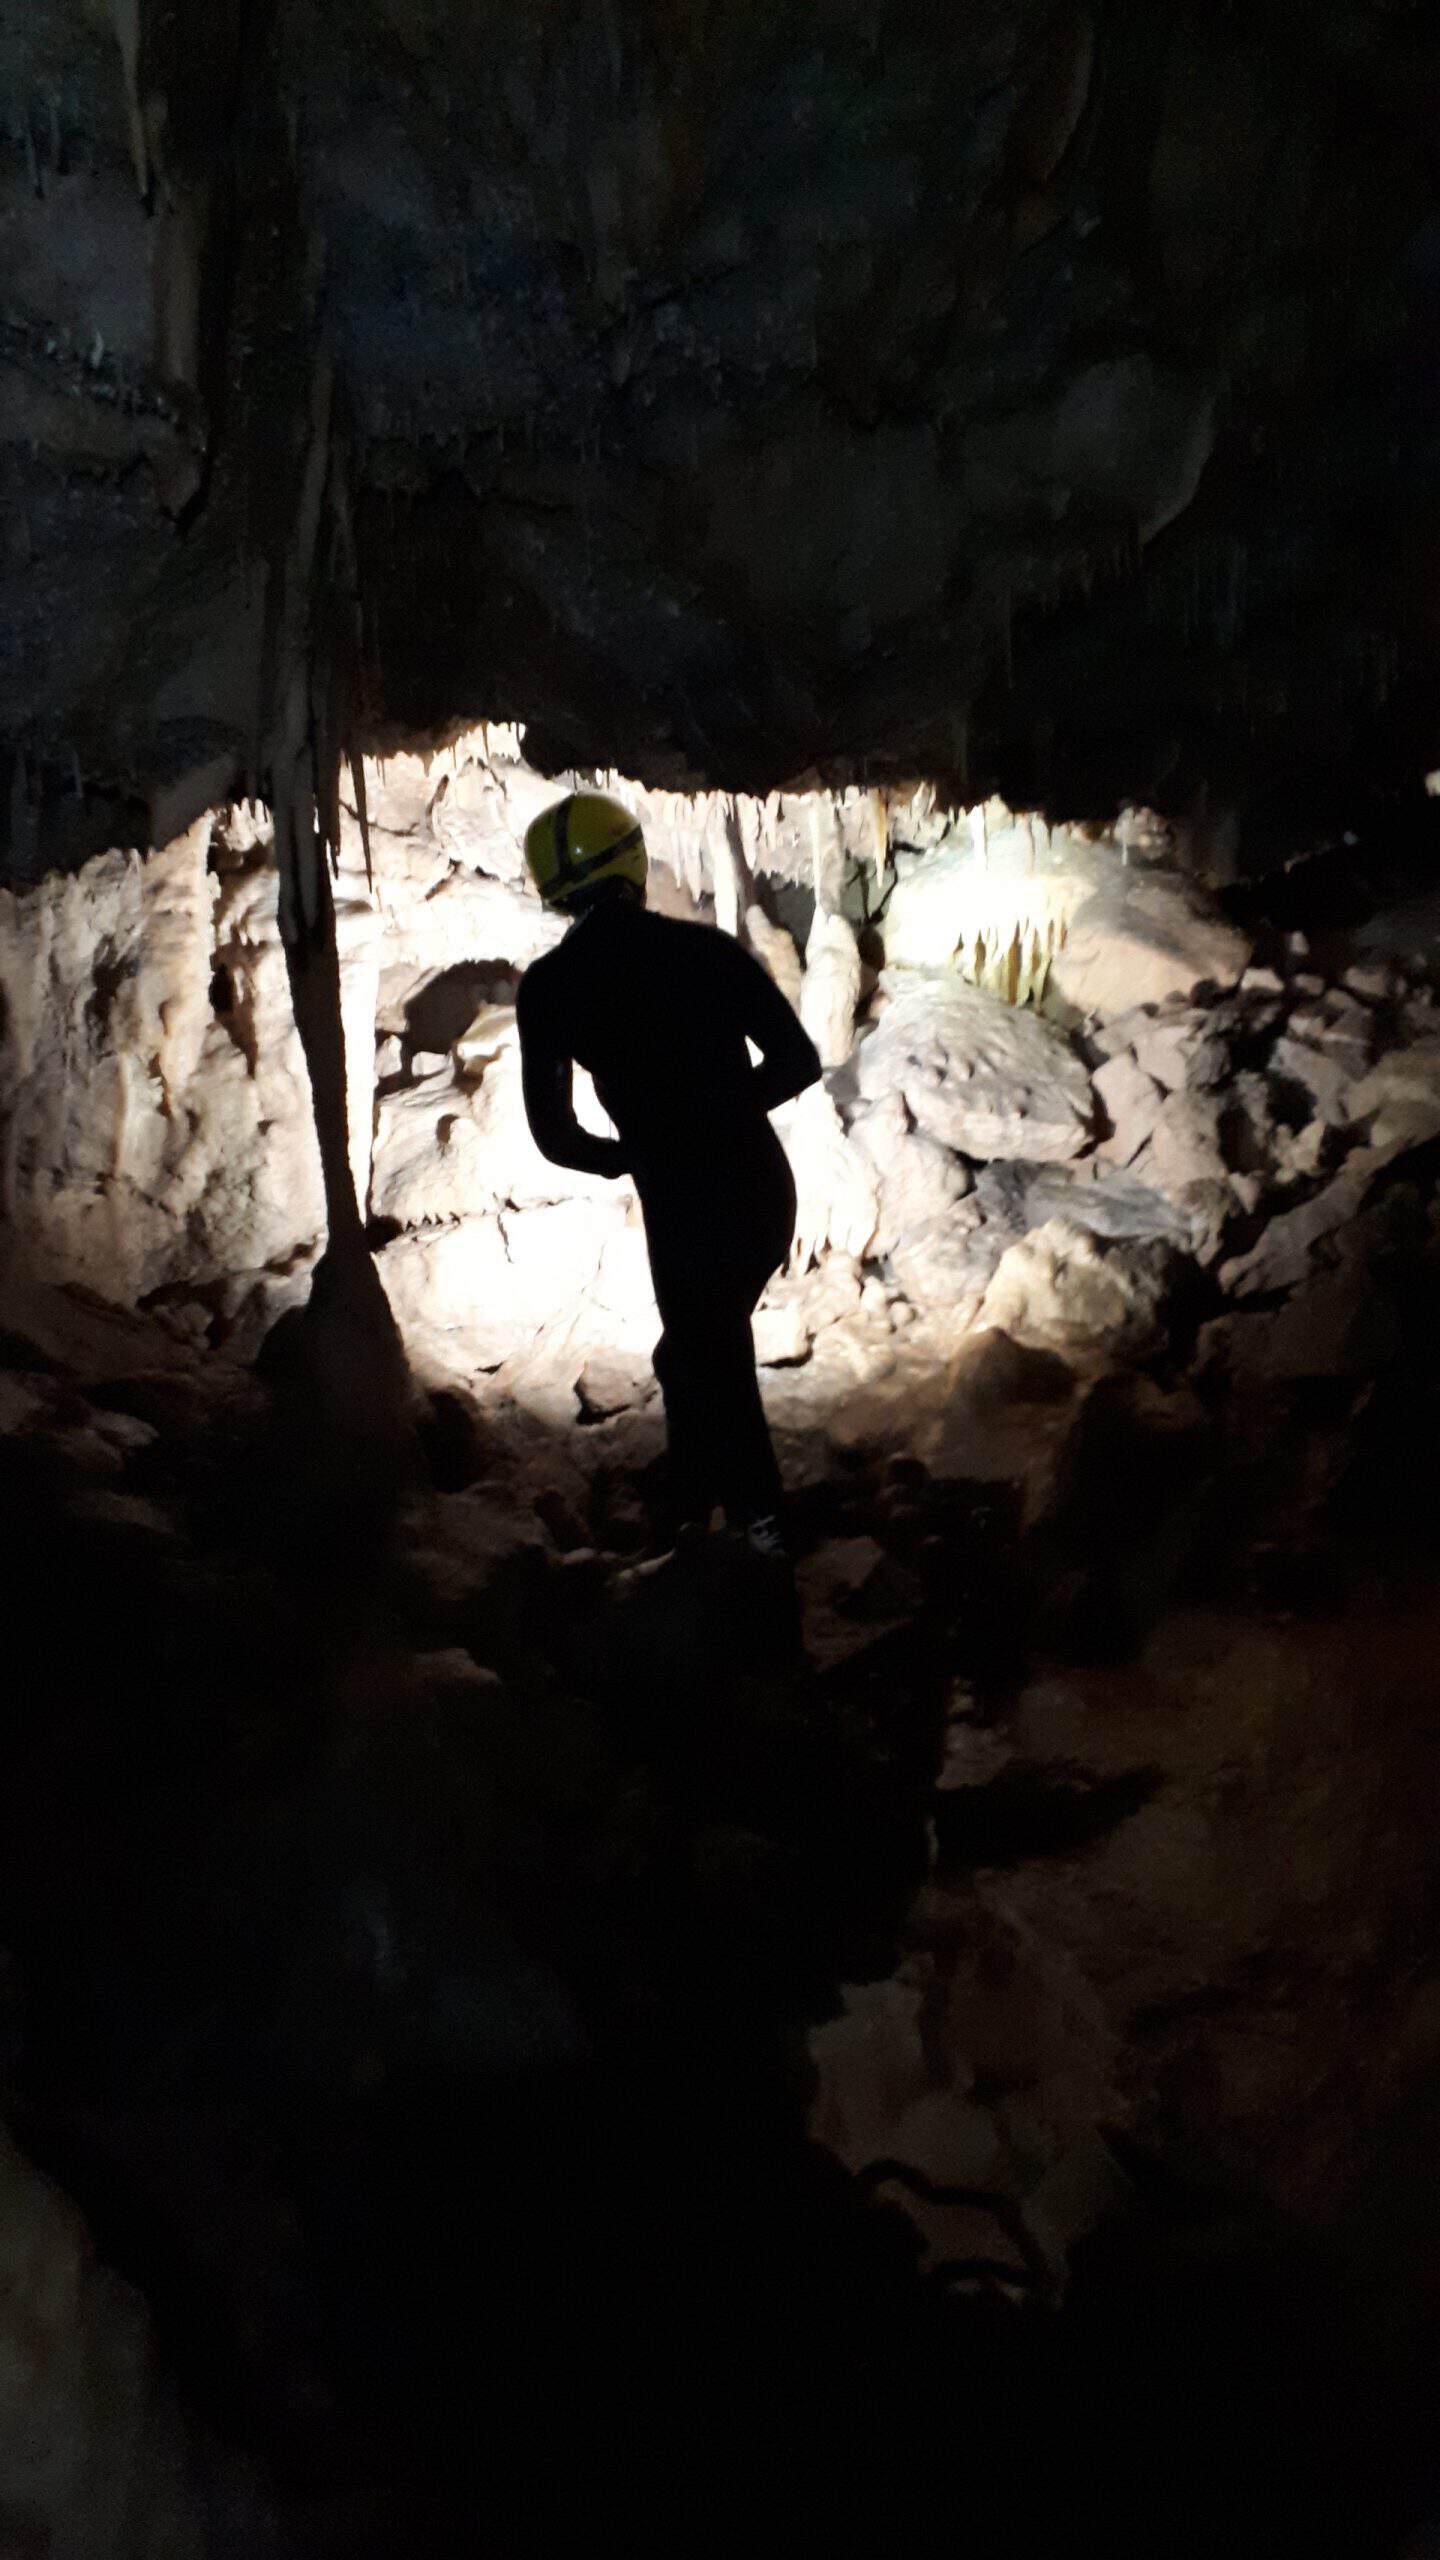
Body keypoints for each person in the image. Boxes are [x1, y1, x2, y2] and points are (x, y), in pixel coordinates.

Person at [516, 789, 821, 1557]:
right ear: (633, 861)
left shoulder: (550, 989)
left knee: (710, 1356)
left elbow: (556, 1136)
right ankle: (695, 1499)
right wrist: (720, 1116)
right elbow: (798, 1061)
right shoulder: (707, 952)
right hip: (756, 1188)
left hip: (681, 1205)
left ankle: (761, 1531)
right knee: (691, 1353)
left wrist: (633, 1152)